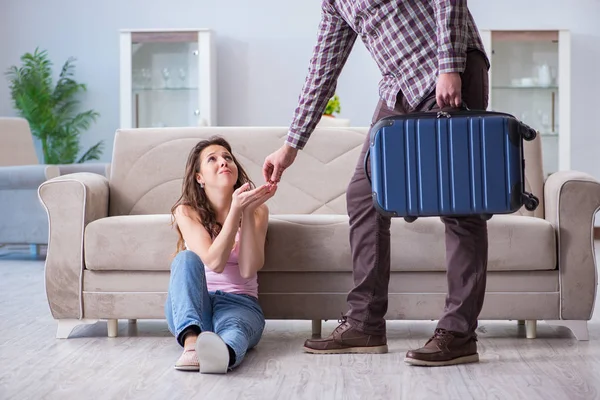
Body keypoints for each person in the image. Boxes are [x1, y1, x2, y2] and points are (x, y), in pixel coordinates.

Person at [262, 1, 490, 367]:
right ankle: (364, 323)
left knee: (459, 200)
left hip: (448, 67)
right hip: (399, 87)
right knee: (364, 193)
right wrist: (290, 147)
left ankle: (459, 333)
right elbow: (323, 70)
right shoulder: (334, 4)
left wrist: (449, 65)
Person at [165, 136, 277, 373]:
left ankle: (223, 354)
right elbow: (214, 262)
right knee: (185, 259)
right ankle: (192, 345)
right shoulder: (185, 211)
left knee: (235, 329)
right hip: (194, 307)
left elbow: (249, 268)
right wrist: (235, 210)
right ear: (199, 178)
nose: (223, 162)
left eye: (228, 157)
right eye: (212, 159)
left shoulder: (257, 211)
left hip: (240, 303)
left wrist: (245, 213)